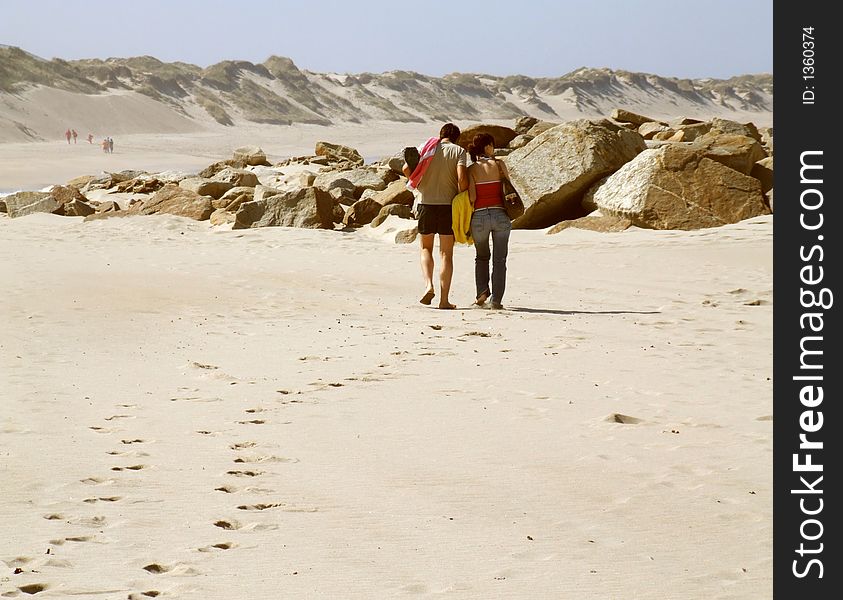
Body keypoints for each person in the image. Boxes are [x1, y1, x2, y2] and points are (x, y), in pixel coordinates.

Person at [403, 123, 468, 309]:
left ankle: (428, 285)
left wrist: (420, 183)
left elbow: (407, 169)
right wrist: (461, 195)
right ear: (457, 137)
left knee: (425, 249)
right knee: (446, 254)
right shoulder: (459, 151)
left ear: (441, 135)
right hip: (448, 206)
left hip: (425, 204)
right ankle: (444, 300)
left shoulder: (427, 147)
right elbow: (462, 177)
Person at [466, 132, 511, 310]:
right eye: (492, 145)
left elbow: (472, 196)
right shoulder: (499, 165)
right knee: (500, 260)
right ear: (487, 147)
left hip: (479, 217)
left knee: (482, 256)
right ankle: (496, 300)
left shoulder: (471, 170)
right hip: (500, 215)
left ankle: (481, 294)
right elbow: (508, 188)